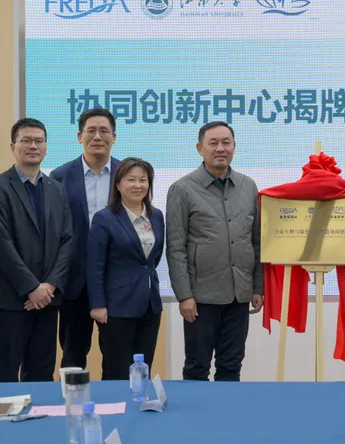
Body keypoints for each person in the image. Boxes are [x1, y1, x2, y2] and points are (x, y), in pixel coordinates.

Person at [166, 121, 263, 381]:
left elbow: (256, 241)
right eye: (213, 143)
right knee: (197, 367)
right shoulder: (182, 189)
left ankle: (228, 409)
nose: (220, 148)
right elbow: (175, 248)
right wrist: (184, 296)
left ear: (234, 147)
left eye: (226, 143)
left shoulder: (248, 186)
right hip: (200, 298)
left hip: (238, 294)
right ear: (200, 148)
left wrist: (257, 287)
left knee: (231, 366)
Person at [0, 118, 75, 383]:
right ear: (13, 147)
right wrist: (31, 288)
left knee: (42, 376)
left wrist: (49, 286)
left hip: (47, 302)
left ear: (46, 146)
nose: (33, 146)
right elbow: (1, 243)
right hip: (10, 302)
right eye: (26, 140)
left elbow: (67, 240)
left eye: (39, 141)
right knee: (5, 378)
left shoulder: (57, 189)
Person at [50, 107, 120, 370]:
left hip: (116, 281)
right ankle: (72, 398)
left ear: (114, 137)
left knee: (117, 357)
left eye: (104, 131)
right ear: (80, 137)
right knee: (72, 357)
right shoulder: (59, 177)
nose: (97, 137)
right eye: (91, 131)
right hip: (74, 283)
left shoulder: (128, 174)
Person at [88, 158, 163, 380]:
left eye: (143, 180)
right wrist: (98, 304)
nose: (138, 185)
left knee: (143, 369)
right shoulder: (104, 218)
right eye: (131, 180)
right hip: (116, 307)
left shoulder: (156, 216)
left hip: (149, 305)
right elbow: (95, 265)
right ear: (118, 184)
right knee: (117, 370)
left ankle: (140, 401)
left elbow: (153, 259)